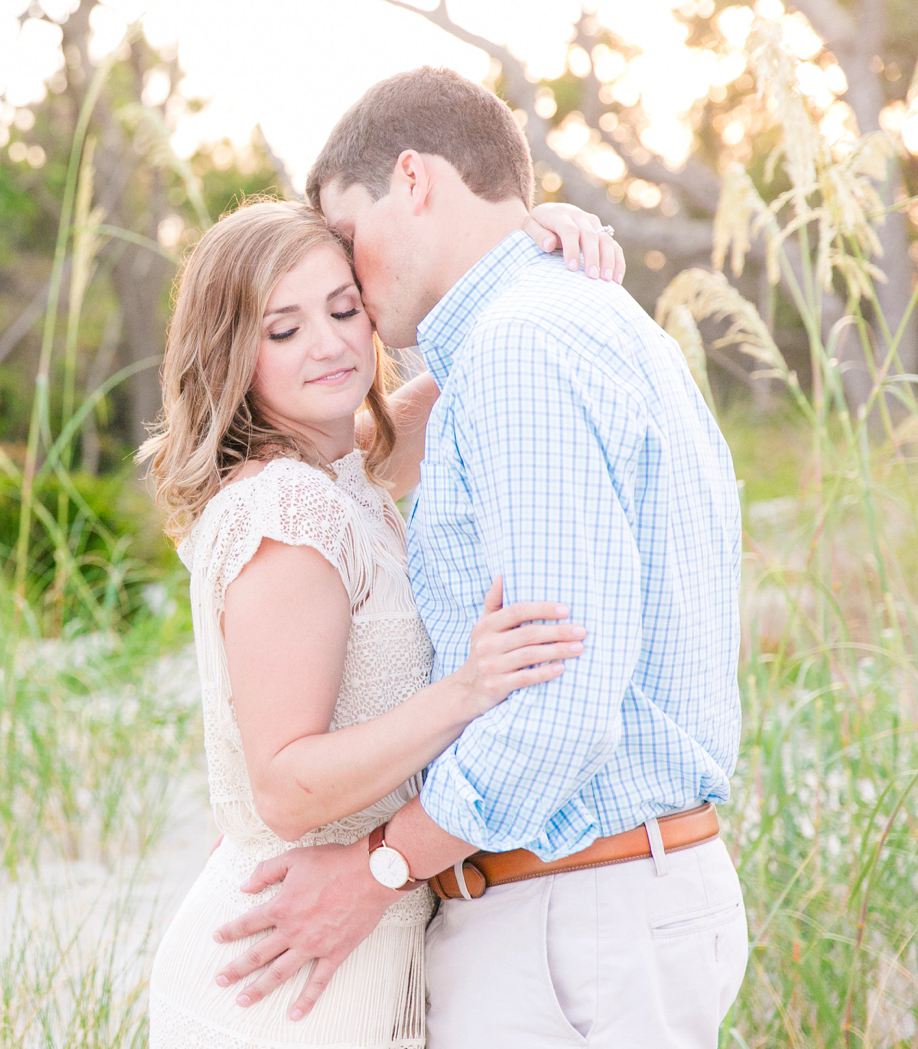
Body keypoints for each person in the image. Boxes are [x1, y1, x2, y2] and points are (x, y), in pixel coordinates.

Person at [210, 67, 748, 1048]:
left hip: (571, 919)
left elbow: (560, 705)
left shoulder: (521, 350)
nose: (349, 278)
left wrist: (381, 864)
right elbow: (359, 449)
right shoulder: (572, 323)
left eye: (345, 233)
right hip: (601, 912)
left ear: (412, 178)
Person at [138, 195, 620, 1048]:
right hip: (283, 970)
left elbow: (479, 361)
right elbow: (284, 786)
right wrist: (466, 691)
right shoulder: (289, 507)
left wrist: (527, 239)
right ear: (230, 353)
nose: (327, 343)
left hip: (344, 938)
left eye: (343, 307)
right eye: (282, 329)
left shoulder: (339, 469)